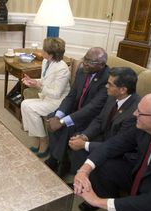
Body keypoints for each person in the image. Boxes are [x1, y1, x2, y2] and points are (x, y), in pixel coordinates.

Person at [44, 47, 110, 177]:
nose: (85, 63)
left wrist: (63, 121)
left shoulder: (107, 78)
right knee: (52, 118)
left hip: (91, 118)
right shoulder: (82, 71)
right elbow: (71, 96)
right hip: (77, 110)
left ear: (101, 65)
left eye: (90, 62)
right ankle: (55, 156)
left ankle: (60, 161)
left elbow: (92, 108)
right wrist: (58, 116)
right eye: (85, 58)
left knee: (68, 126)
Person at [68, 67, 140, 182]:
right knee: (75, 139)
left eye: (110, 84)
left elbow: (118, 144)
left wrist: (85, 144)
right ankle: (83, 182)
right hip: (105, 137)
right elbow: (100, 120)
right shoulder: (113, 97)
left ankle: (100, 193)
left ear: (122, 90)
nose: (106, 86)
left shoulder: (134, 113)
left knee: (93, 155)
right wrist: (84, 136)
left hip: (120, 151)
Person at [20, 37, 70, 157]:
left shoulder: (62, 69)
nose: (41, 52)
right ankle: (38, 137)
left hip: (58, 101)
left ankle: (43, 140)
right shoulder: (45, 61)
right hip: (47, 97)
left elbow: (57, 93)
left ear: (51, 54)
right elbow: (44, 80)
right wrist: (33, 81)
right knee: (24, 104)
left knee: (29, 107)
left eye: (44, 50)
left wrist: (38, 86)